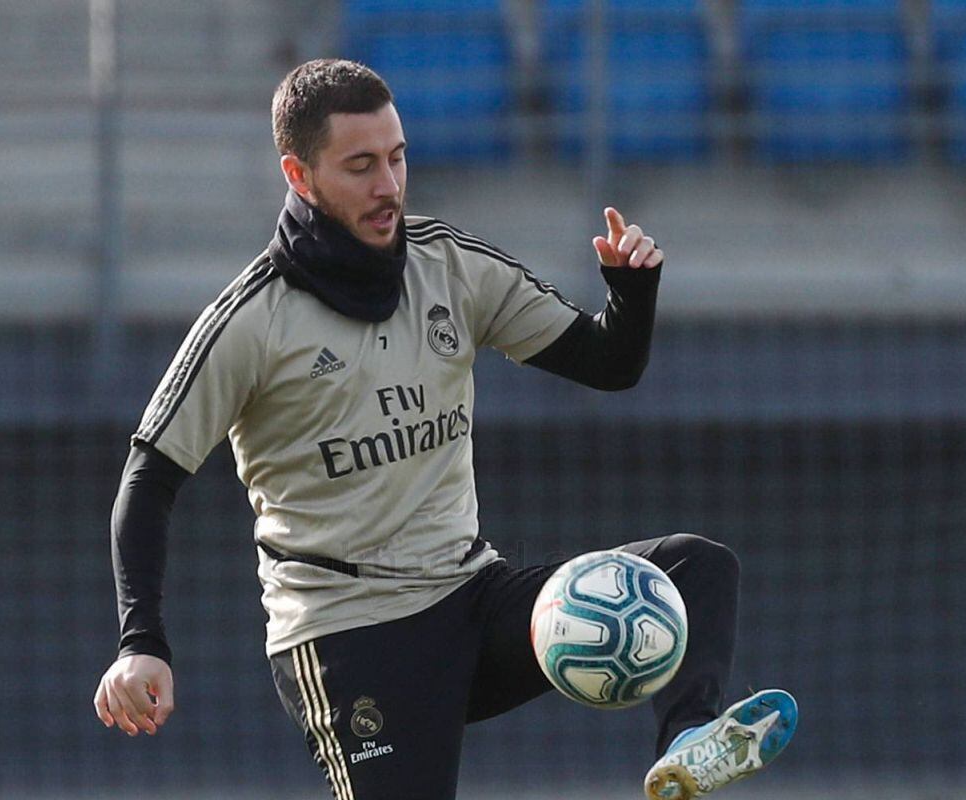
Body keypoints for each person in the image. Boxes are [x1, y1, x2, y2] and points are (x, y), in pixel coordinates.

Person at [92, 58, 797, 800]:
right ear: (299, 176)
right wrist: (141, 644)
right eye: (360, 166)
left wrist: (632, 289)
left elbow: (609, 364)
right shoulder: (249, 323)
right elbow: (148, 483)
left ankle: (688, 745)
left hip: (470, 597)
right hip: (348, 638)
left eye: (397, 159)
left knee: (695, 568)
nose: (389, 186)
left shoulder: (450, 266)